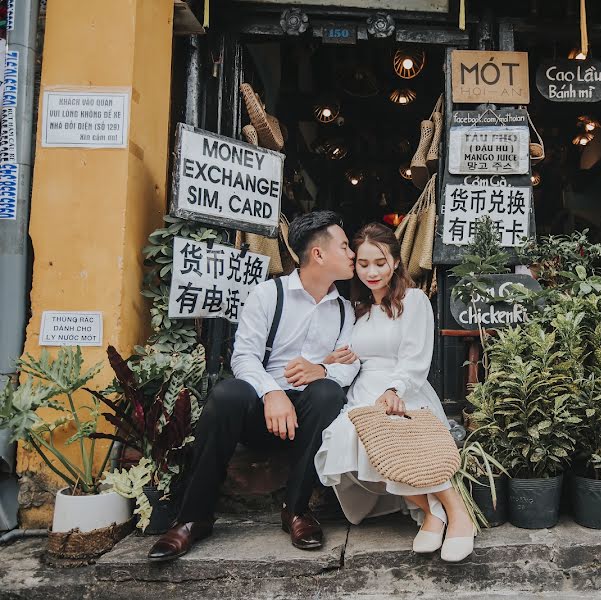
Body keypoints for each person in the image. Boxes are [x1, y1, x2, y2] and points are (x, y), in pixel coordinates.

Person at [148, 211, 360, 562]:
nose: (352, 254)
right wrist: (272, 393)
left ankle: (296, 510)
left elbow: (349, 363)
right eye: (344, 246)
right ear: (318, 254)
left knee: (328, 393)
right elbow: (244, 356)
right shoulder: (267, 294)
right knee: (227, 394)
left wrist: (322, 369)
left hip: (309, 417)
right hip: (262, 411)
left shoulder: (345, 310)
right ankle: (193, 518)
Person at [314, 222, 476, 563]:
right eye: (363, 264)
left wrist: (394, 389)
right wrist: (329, 362)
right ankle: (433, 510)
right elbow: (349, 360)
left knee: (404, 443)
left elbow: (416, 356)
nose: (372, 271)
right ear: (355, 266)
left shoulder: (413, 300)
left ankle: (456, 512)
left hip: (405, 388)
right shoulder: (356, 311)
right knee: (351, 441)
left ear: (395, 262)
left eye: (380, 262)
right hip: (362, 395)